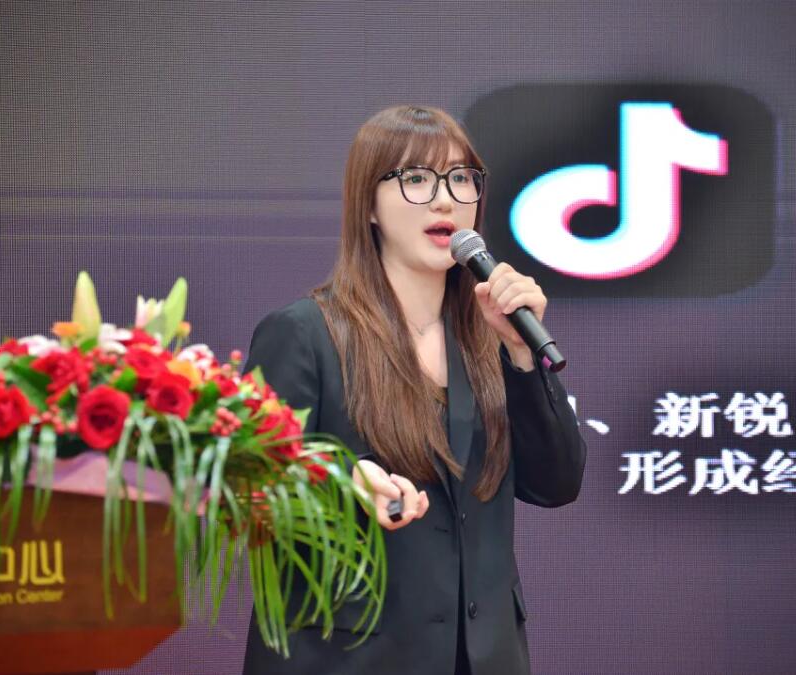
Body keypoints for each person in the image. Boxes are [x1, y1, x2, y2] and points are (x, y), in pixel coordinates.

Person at [241, 105, 587, 675]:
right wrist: (339, 484)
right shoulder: (304, 333)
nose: (445, 200)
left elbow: (556, 484)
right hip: (346, 658)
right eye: (417, 178)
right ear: (368, 206)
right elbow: (251, 488)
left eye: (461, 179)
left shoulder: (492, 340)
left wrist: (523, 358)